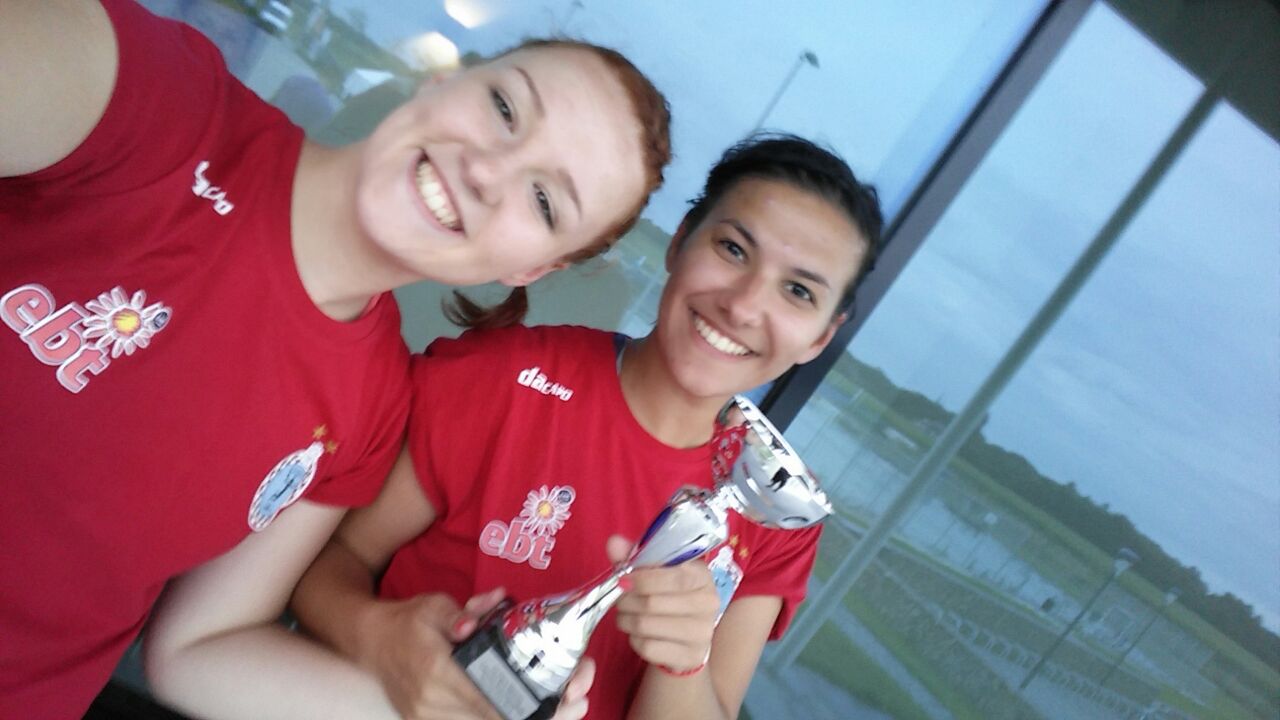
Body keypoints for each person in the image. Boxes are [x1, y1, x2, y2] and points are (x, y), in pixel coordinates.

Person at [0, 0, 671, 717]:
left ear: (531, 270)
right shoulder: (157, 108)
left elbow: (197, 648)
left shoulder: (372, 410)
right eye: (504, 107)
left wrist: (454, 703)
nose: (486, 170)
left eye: (543, 200)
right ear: (442, 82)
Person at [286, 134, 884, 719]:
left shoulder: (777, 517)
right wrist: (382, 640)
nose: (744, 305)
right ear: (679, 242)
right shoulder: (503, 378)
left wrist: (683, 660)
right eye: (732, 249)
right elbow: (330, 564)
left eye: (798, 290)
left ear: (822, 337)